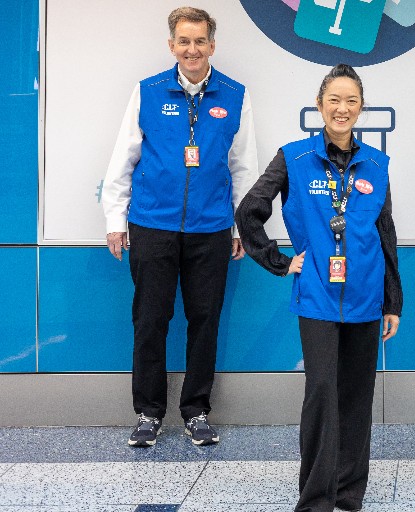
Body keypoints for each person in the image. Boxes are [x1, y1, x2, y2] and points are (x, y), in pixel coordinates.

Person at [235, 64, 401, 512]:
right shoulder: (293, 158)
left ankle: (348, 497)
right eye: (334, 100)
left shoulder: (378, 164)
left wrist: (392, 301)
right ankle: (314, 500)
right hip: (317, 296)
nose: (342, 109)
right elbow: (250, 210)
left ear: (361, 108)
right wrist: (281, 261)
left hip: (367, 297)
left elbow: (386, 235)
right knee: (323, 394)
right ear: (319, 105)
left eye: (351, 101)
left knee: (357, 400)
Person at [101, 6, 257, 447]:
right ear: (172, 45)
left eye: (200, 41)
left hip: (211, 228)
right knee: (151, 319)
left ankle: (197, 411)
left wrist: (242, 226)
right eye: (184, 41)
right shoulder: (148, 92)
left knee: (204, 319)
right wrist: (116, 219)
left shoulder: (235, 94)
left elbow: (244, 167)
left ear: (212, 45)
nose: (193, 49)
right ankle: (149, 413)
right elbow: (123, 158)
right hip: (152, 224)